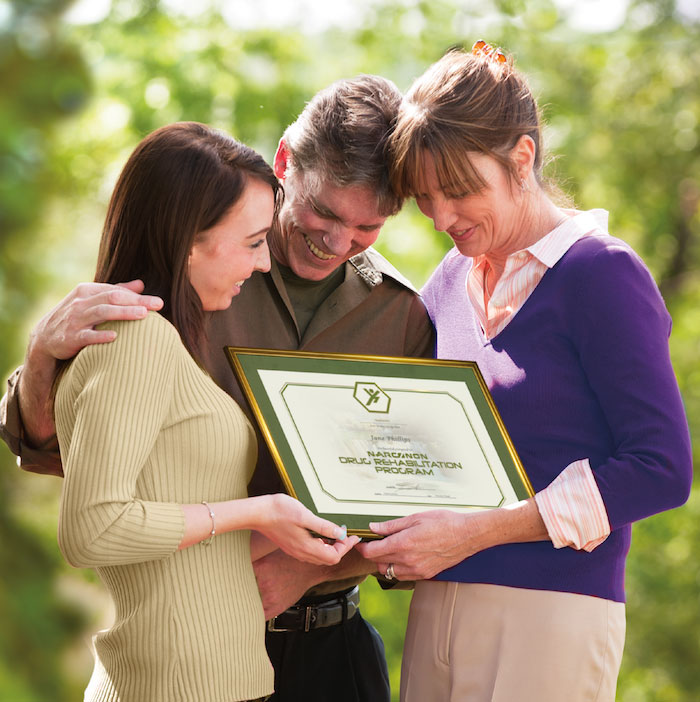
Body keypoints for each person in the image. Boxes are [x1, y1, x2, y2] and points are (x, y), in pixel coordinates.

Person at [0, 76, 436, 702]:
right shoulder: (192, 271)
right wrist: (44, 357)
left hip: (331, 649)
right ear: (286, 161)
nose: (338, 244)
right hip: (180, 646)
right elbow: (54, 450)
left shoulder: (405, 317)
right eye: (326, 213)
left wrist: (304, 567)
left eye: (368, 227)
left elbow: (416, 503)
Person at [356, 43, 693, 702]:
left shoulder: (602, 274)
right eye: (426, 199)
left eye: (459, 191)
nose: (443, 219)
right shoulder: (447, 283)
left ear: (522, 158)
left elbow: (662, 470)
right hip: (436, 608)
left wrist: (479, 531)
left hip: (552, 613)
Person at [50, 121, 358, 702]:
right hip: (174, 687)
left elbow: (182, 548)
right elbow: (91, 530)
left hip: (215, 680)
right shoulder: (138, 340)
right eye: (251, 242)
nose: (266, 262)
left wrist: (290, 526)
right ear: (190, 237)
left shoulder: (164, 341)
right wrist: (256, 509)